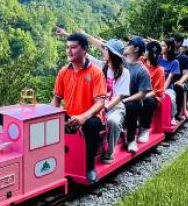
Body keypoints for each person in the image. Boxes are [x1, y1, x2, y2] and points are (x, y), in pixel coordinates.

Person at [52, 31, 107, 184]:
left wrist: (83, 117)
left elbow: (100, 102)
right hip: (69, 115)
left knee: (91, 125)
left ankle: (89, 167)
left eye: (73, 47)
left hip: (91, 116)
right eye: (67, 47)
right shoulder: (63, 72)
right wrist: (50, 115)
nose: (69, 51)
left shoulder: (96, 72)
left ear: (84, 50)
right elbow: (56, 99)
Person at [80, 35, 130, 164]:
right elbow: (86, 56)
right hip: (99, 105)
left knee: (113, 121)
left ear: (113, 54)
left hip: (115, 107)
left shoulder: (125, 73)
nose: (104, 52)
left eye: (107, 50)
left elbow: (120, 96)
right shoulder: (103, 66)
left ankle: (110, 152)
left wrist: (106, 108)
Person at [121, 37, 152, 151]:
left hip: (132, 101)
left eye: (129, 44)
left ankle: (131, 140)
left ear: (136, 49)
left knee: (132, 106)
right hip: (118, 97)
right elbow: (104, 48)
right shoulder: (123, 62)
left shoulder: (142, 71)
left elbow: (142, 94)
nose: (126, 46)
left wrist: (125, 100)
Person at [140, 40, 165, 142]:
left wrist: (143, 96)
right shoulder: (142, 62)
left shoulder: (159, 70)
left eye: (146, 50)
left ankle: (145, 129)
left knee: (148, 101)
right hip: (140, 93)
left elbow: (157, 91)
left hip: (153, 97)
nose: (144, 52)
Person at [158, 38, 181, 125]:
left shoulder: (175, 62)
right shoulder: (157, 58)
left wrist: (162, 90)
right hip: (155, 86)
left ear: (169, 48)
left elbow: (170, 78)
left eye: (163, 46)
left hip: (167, 86)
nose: (161, 47)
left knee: (170, 97)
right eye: (160, 46)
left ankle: (173, 116)